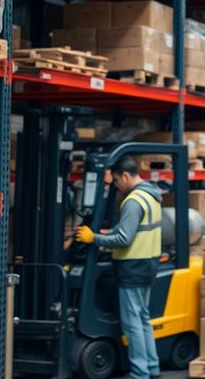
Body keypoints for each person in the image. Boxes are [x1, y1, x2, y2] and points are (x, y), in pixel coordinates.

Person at [74, 156, 163, 379]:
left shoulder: (133, 201)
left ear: (125, 175)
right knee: (143, 320)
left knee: (132, 324)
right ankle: (152, 367)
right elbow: (134, 230)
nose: (115, 185)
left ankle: (140, 372)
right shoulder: (151, 196)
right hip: (147, 265)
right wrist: (106, 233)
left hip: (132, 268)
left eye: (115, 180)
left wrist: (93, 238)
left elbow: (124, 238)